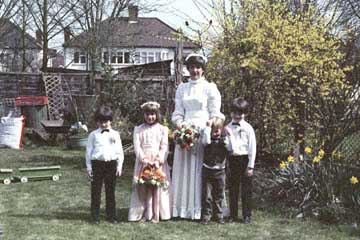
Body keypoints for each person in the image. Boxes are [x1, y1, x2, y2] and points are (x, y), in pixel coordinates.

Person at [171, 53, 222, 220]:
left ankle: (202, 209)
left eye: (198, 67)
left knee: (202, 171)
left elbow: (216, 114)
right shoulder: (182, 88)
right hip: (185, 133)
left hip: (203, 134)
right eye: (192, 67)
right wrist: (182, 128)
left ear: (203, 69)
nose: (195, 70)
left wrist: (208, 125)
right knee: (184, 169)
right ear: (188, 69)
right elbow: (177, 113)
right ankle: (182, 208)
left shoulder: (210, 87)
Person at [128, 101, 171, 223]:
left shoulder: (163, 129)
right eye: (147, 114)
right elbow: (137, 146)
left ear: (157, 115)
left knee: (157, 187)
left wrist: (159, 160)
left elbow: (164, 146)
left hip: (158, 163)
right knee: (142, 188)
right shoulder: (138, 129)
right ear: (144, 115)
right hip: (144, 162)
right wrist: (144, 160)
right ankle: (143, 213)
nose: (150, 117)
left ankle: (157, 214)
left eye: (152, 114)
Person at [85, 105, 124, 224]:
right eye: (101, 121)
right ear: (97, 121)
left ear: (110, 121)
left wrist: (119, 166)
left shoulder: (115, 134)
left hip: (111, 165)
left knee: (110, 191)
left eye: (106, 121)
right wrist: (89, 167)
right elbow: (88, 151)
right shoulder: (93, 135)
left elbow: (120, 152)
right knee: (96, 191)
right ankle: (95, 216)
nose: (103, 124)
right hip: (97, 164)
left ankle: (111, 216)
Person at [226, 98, 256, 224]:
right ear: (231, 113)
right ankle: (232, 215)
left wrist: (250, 166)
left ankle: (247, 215)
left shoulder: (248, 128)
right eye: (235, 113)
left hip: (245, 160)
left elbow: (252, 148)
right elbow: (226, 145)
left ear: (245, 114)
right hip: (233, 160)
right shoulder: (227, 127)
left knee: (246, 190)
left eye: (240, 113)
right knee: (233, 189)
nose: (237, 116)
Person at [201, 115, 228, 225]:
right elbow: (206, 141)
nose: (215, 133)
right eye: (213, 131)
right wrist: (208, 127)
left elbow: (231, 148)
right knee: (207, 195)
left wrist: (227, 134)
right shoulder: (207, 140)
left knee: (219, 195)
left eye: (217, 131)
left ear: (221, 130)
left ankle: (219, 215)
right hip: (208, 170)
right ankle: (207, 215)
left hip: (220, 171)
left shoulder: (224, 141)